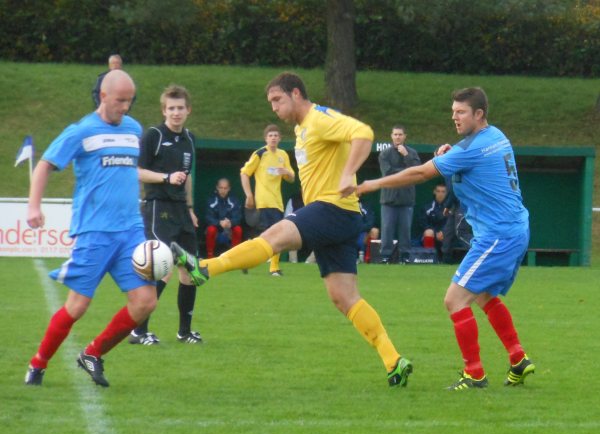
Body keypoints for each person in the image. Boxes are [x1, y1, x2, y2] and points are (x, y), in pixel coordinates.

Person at [172, 72, 413, 387]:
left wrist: (348, 174)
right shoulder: (302, 130)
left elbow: (364, 133)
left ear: (296, 93)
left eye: (277, 99)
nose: (273, 108)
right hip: (339, 217)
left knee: (271, 239)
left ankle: (204, 268)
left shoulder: (319, 119)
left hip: (333, 209)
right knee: (344, 297)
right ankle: (393, 360)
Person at [357, 87, 535, 390]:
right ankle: (518, 358)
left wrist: (372, 184)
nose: (454, 117)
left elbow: (420, 174)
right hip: (512, 228)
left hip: (499, 234)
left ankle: (474, 374)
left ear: (479, 114)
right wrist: (452, 157)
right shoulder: (495, 137)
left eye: (461, 112)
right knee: (481, 295)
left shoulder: (472, 149)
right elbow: (471, 163)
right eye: (453, 112)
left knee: (454, 300)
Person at [24, 70, 156, 388]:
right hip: (94, 232)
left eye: (130, 100)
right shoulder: (81, 131)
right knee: (77, 306)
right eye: (121, 100)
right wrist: (33, 205)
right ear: (103, 96)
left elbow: (127, 171)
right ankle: (38, 363)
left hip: (130, 231)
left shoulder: (133, 129)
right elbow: (44, 165)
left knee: (145, 302)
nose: (126, 106)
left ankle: (93, 353)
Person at [129, 84, 202, 346]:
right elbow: (137, 171)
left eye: (180, 108)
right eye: (171, 108)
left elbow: (188, 176)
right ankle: (138, 331)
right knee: (162, 268)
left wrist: (190, 208)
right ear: (164, 110)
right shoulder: (154, 136)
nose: (176, 112)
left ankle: (184, 331)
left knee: (192, 271)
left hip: (181, 210)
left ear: (188, 110)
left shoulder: (190, 139)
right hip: (158, 208)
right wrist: (166, 178)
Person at [240, 124, 295, 276]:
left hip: (277, 202)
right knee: (262, 237)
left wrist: (287, 173)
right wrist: (249, 195)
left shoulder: (283, 155)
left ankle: (274, 268)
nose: (273, 138)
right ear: (266, 138)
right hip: (262, 202)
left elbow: (292, 178)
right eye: (270, 136)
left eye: (276, 135)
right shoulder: (260, 153)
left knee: (278, 236)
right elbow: (244, 173)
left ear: (280, 138)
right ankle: (244, 259)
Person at [378, 125, 421, 263]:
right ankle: (385, 257)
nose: (398, 137)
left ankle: (405, 257)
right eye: (395, 134)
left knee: (405, 232)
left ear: (405, 136)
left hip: (406, 199)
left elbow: (416, 171)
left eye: (400, 134)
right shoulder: (384, 154)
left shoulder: (412, 153)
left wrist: (406, 156)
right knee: (387, 230)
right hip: (388, 199)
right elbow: (388, 173)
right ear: (391, 136)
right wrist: (405, 172)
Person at [205, 178, 243, 258]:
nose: (223, 190)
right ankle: (210, 255)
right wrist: (219, 223)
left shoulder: (234, 200)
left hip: (230, 229)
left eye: (225, 188)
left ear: (229, 188)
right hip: (216, 229)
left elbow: (238, 217)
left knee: (238, 229)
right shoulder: (211, 200)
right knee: (210, 229)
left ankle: (234, 255)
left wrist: (230, 223)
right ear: (217, 187)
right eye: (221, 188)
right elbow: (208, 217)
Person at [417, 181, 447, 256]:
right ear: (434, 192)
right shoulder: (427, 207)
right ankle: (429, 257)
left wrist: (443, 232)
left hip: (447, 235)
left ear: (447, 193)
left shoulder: (451, 208)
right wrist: (435, 233)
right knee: (428, 232)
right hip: (433, 235)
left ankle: (447, 259)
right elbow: (423, 223)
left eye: (443, 192)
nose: (440, 194)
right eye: (438, 191)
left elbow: (453, 223)